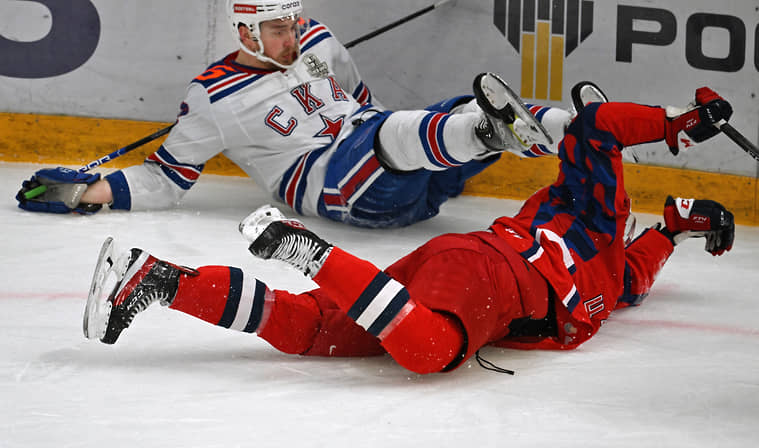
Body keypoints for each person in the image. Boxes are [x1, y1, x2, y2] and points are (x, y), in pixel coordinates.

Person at [82, 84, 736, 374]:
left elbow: (639, 270)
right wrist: (677, 121)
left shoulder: (611, 279)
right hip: (492, 278)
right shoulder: (592, 214)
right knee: (432, 352)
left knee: (311, 330)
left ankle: (156, 280)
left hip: (453, 265)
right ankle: (311, 252)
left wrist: (681, 226)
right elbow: (599, 130)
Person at [16, 0, 578, 228]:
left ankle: (581, 131)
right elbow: (165, 178)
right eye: (277, 28)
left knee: (460, 109)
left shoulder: (318, 41)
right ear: (245, 31)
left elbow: (361, 101)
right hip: (342, 192)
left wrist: (404, 146)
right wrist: (82, 192)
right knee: (422, 130)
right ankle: (485, 132)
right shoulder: (213, 97)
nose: (291, 35)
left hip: (408, 181)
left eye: (292, 22)